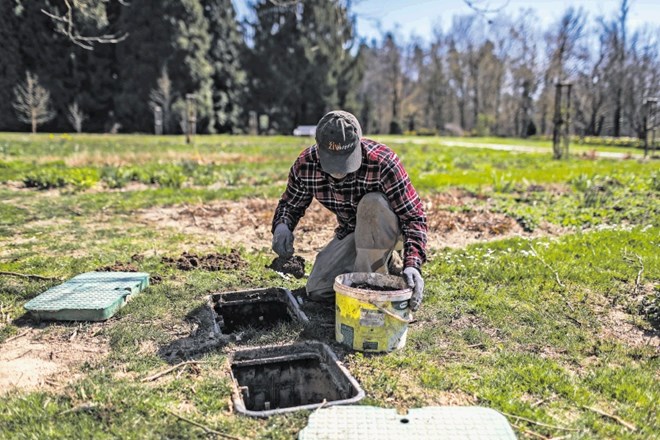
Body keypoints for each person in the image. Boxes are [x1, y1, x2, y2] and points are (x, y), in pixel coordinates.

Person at [271, 110, 427, 310]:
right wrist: (282, 226)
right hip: (352, 230)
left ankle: (370, 291)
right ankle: (385, 263)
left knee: (372, 203)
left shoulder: (383, 163)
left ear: (358, 145)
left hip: (388, 227)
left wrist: (413, 263)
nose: (339, 171)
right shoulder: (306, 165)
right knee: (319, 289)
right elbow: (290, 205)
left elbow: (413, 217)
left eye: (346, 160)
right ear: (319, 148)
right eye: (333, 161)